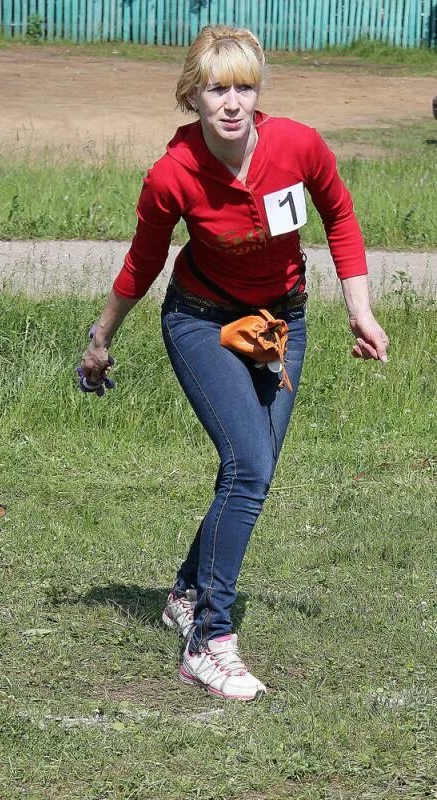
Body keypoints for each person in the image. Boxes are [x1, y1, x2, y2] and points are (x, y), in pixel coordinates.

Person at [78, 24, 389, 701]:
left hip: (281, 324)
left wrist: (359, 311)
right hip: (201, 322)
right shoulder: (172, 175)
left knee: (252, 468)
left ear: (257, 92)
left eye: (244, 86)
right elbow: (143, 262)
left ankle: (186, 593)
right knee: (248, 468)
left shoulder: (295, 145)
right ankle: (208, 642)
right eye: (216, 87)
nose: (231, 101)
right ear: (192, 95)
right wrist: (100, 338)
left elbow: (338, 216)